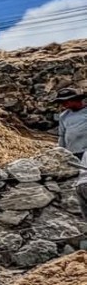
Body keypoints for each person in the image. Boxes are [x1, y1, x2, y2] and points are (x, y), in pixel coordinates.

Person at [55, 87, 87, 216]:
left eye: (66, 101)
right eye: (62, 102)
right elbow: (62, 136)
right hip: (73, 154)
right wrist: (61, 151)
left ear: (76, 100)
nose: (64, 104)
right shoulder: (64, 116)